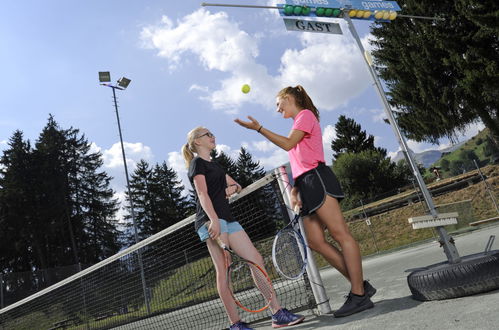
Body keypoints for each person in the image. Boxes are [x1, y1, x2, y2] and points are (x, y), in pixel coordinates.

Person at [235, 85, 376, 318]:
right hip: (306, 184)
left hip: (318, 179)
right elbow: (299, 161)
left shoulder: (305, 116)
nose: (277, 108)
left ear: (289, 99)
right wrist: (294, 191)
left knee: (341, 234)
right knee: (315, 241)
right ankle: (360, 285)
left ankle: (359, 295)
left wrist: (259, 128)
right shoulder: (297, 123)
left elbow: (289, 145)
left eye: (278, 103)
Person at [182, 127, 305, 330]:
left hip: (229, 220)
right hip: (211, 221)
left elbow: (236, 185)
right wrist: (214, 220)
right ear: (197, 142)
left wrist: (229, 189)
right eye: (207, 135)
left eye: (213, 133)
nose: (213, 136)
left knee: (256, 260)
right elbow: (202, 194)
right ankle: (236, 324)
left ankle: (277, 313)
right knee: (224, 271)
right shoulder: (197, 163)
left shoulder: (216, 165)